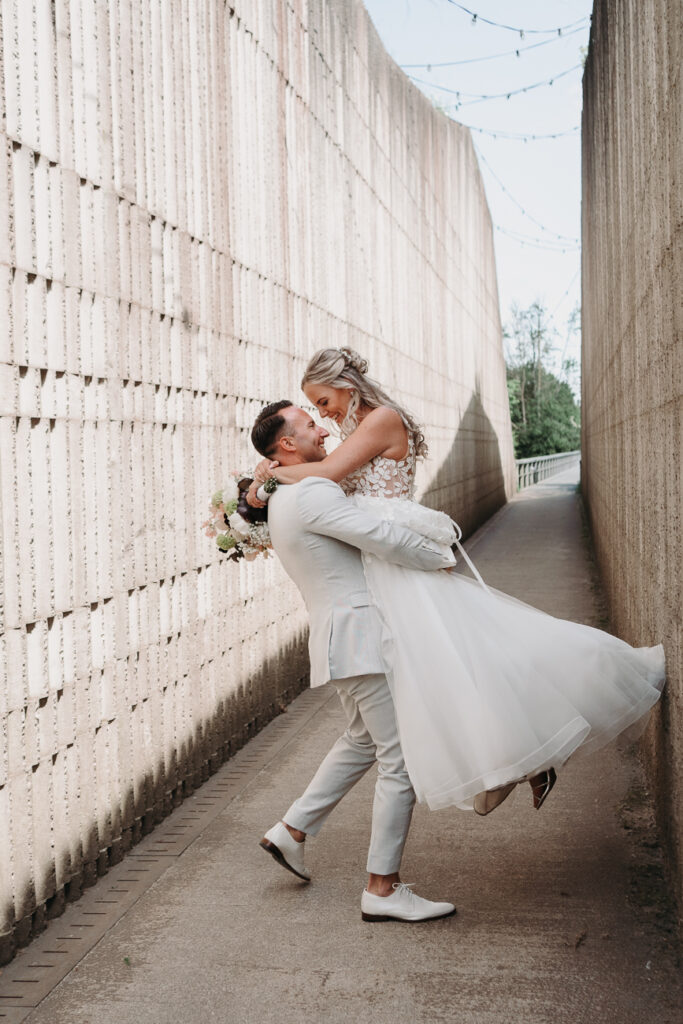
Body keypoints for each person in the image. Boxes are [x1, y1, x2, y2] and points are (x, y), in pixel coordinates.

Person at [249, 348, 666, 816]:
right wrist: (265, 480)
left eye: (323, 402)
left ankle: (537, 745)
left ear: (345, 388)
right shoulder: (355, 429)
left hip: (399, 559)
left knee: (462, 659)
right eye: (315, 409)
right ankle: (522, 761)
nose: (323, 415)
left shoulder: (381, 419)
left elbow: (327, 475)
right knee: (444, 669)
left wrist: (269, 476)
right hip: (380, 566)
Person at [253, 400, 457, 922]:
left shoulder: (280, 497)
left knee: (362, 741)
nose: (323, 429)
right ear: (287, 444)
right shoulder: (313, 491)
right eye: (309, 424)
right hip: (360, 637)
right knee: (399, 761)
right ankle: (381, 889)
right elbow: (378, 537)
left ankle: (292, 830)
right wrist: (438, 556)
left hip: (338, 639)